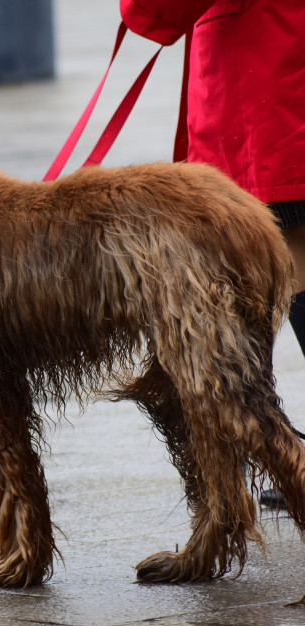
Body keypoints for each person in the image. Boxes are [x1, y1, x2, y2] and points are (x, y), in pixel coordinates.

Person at [119, 0, 305, 508]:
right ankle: (272, 451)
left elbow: (156, 9)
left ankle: (274, 455)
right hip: (273, 76)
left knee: (282, 266)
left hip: (269, 89)